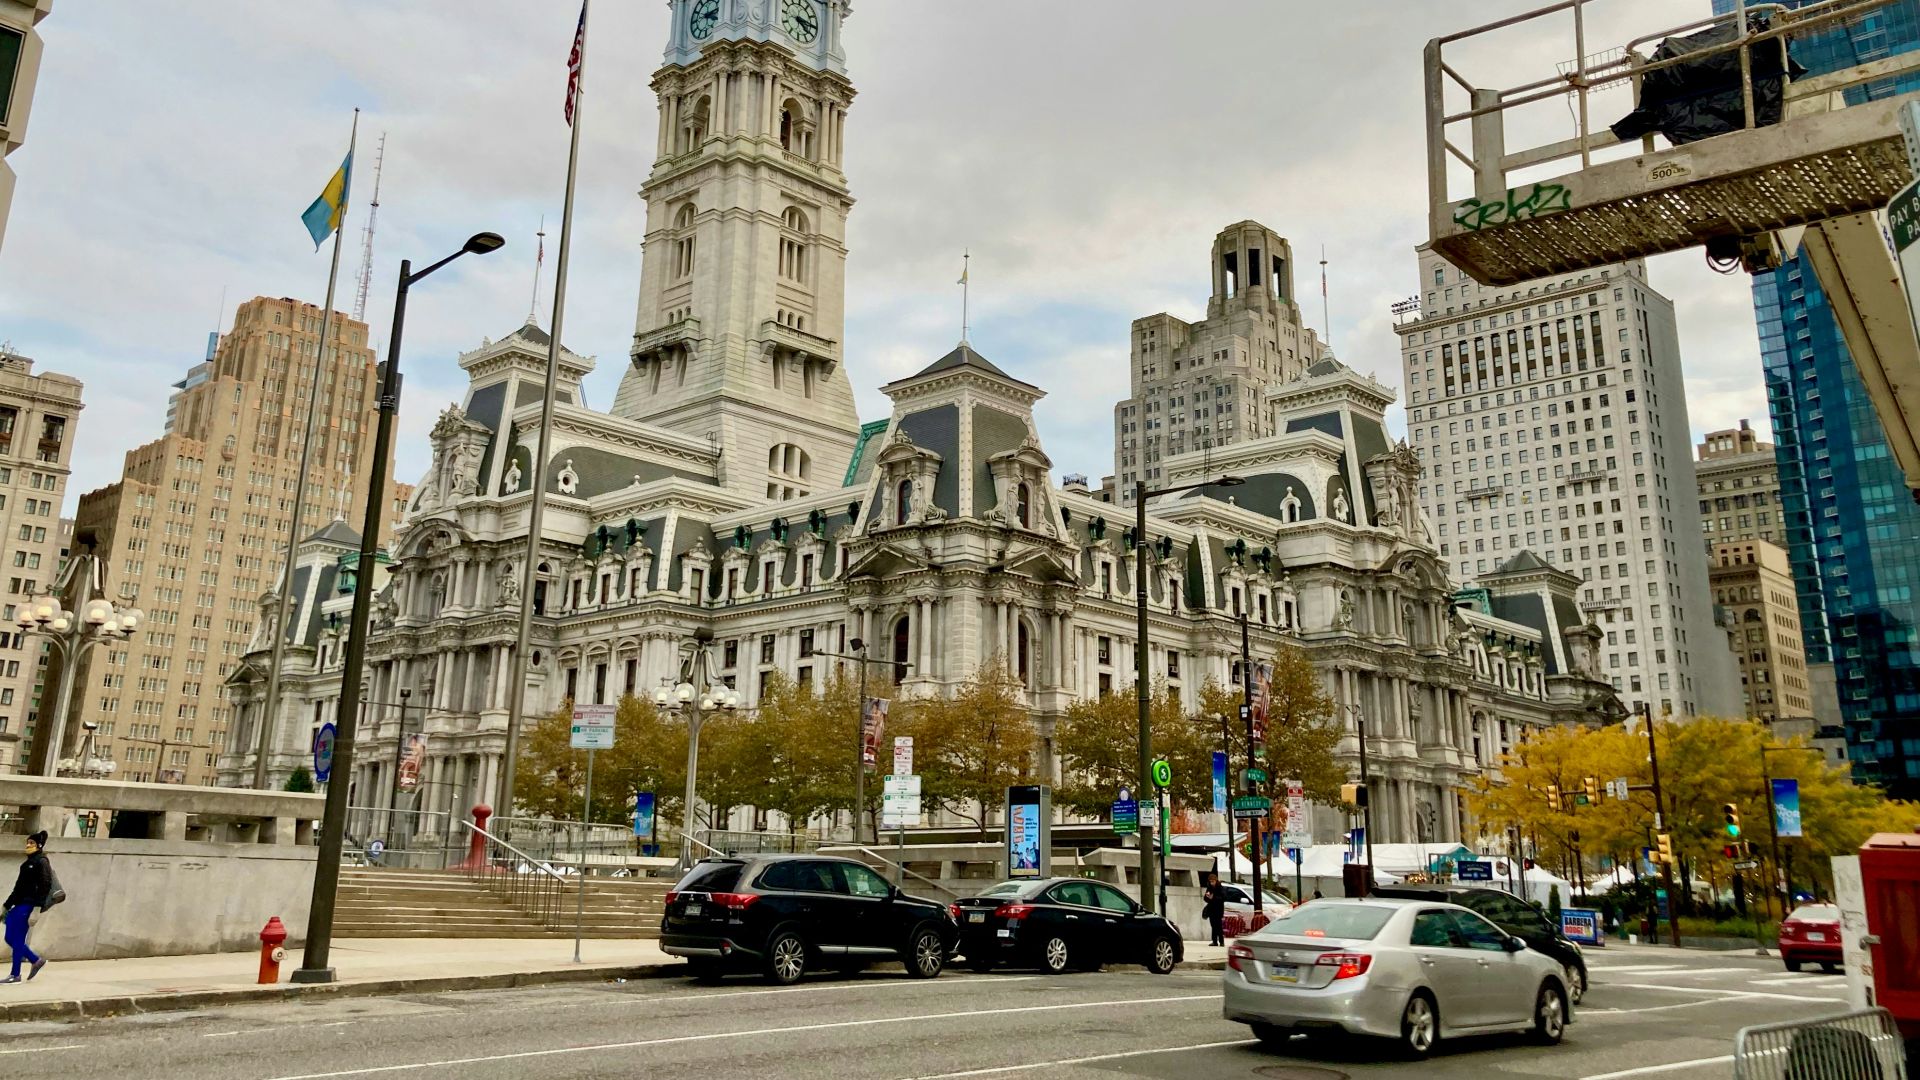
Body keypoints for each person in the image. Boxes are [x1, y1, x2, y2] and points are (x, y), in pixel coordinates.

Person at [4, 831, 52, 983]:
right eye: (27, 842)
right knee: (10, 938)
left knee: (17, 940)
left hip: (28, 906)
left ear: (39, 845)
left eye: (31, 843)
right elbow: (18, 888)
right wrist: (6, 906)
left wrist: (37, 909)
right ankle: (35, 960)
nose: (28, 845)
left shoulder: (42, 862)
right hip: (18, 905)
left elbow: (45, 886)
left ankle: (15, 974)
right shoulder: (27, 864)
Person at [1201, 871, 1226, 947]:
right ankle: (1214, 941)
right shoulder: (1209, 888)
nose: (1212, 883)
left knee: (1219, 926)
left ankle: (1221, 941)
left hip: (1218, 909)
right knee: (1213, 925)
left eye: (1213, 881)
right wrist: (1208, 897)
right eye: (1210, 881)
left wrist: (1213, 897)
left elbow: (1223, 898)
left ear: (1216, 880)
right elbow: (1205, 898)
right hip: (1211, 909)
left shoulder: (1220, 888)